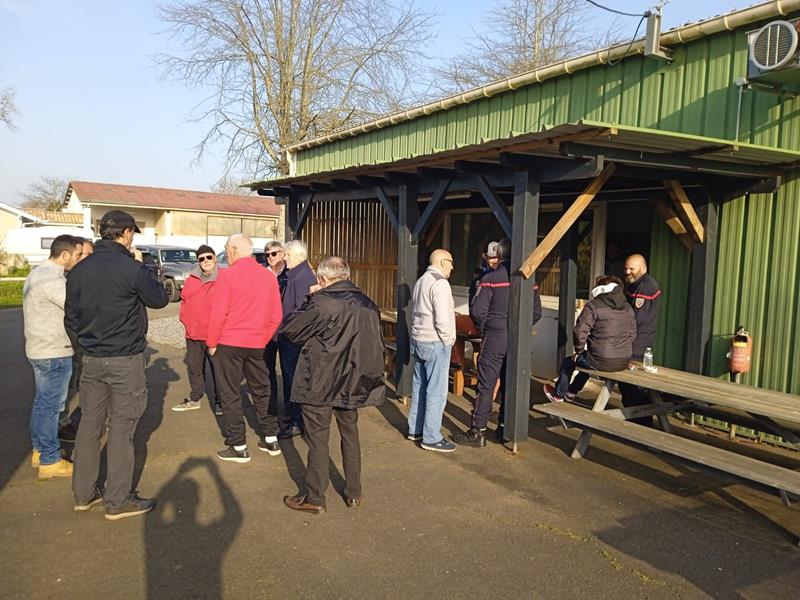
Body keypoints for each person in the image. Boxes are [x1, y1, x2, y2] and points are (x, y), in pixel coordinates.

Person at [66, 210, 169, 519]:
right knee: (122, 429)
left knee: (89, 426)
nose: (133, 237)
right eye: (132, 233)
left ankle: (83, 494)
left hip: (92, 358)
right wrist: (144, 268)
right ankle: (118, 499)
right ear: (125, 234)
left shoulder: (79, 270)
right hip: (124, 359)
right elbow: (160, 300)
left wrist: (83, 348)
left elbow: (70, 317)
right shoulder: (131, 268)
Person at [280, 256, 385, 513]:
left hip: (319, 380)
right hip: (351, 381)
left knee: (317, 439)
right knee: (350, 434)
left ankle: (315, 497)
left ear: (323, 279)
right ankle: (354, 491)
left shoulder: (321, 302)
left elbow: (290, 329)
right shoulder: (368, 304)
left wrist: (309, 298)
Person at [453, 238, 542, 447]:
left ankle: (478, 432)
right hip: (517, 338)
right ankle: (505, 429)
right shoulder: (529, 280)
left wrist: (487, 329)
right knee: (510, 384)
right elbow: (536, 312)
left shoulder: (490, 278)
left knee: (486, 383)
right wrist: (518, 327)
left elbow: (477, 310)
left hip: (494, 337)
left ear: (500, 256)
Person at [206, 233, 283, 463]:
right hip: (256, 343)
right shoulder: (268, 277)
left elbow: (218, 314)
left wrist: (211, 343)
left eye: (227, 248)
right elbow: (276, 316)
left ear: (233, 249)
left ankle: (238, 445)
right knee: (262, 389)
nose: (227, 252)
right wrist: (263, 338)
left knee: (230, 393)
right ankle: (270, 438)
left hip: (229, 343)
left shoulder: (227, 276)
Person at [24, 234, 83, 479]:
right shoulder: (52, 280)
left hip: (40, 349)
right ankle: (50, 459)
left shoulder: (38, 273)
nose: (80, 260)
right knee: (51, 407)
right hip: (53, 352)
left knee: (42, 404)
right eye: (78, 255)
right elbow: (76, 307)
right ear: (65, 254)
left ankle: (40, 451)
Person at [543, 276, 636, 402]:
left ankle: (558, 395)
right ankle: (571, 393)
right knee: (586, 364)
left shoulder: (593, 306)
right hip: (624, 361)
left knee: (568, 362)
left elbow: (579, 330)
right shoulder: (628, 307)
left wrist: (579, 351)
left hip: (600, 360)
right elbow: (632, 334)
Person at [408, 249, 457, 452]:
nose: (453, 267)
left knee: (419, 387)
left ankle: (415, 429)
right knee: (436, 391)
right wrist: (448, 340)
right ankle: (431, 437)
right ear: (443, 262)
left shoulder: (422, 280)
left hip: (419, 340)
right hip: (435, 342)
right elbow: (443, 318)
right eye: (452, 262)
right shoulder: (440, 283)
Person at [173, 244, 221, 415]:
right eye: (202, 258)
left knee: (218, 370)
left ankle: (220, 402)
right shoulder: (191, 279)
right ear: (198, 261)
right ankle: (195, 398)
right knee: (194, 368)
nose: (206, 261)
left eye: (209, 257)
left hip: (215, 335)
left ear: (215, 258)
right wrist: (185, 320)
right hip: (193, 334)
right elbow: (184, 302)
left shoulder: (224, 278)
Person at [277, 239, 317, 438]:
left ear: (300, 256)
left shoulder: (303, 277)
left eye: (287, 254)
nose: (284, 257)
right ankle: (291, 415)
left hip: (294, 339)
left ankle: (296, 421)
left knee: (295, 381)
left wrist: (288, 331)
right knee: (289, 378)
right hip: (288, 336)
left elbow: (302, 313)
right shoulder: (292, 274)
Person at [58, 237, 95, 442]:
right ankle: (63, 426)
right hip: (68, 346)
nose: (82, 258)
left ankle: (80, 422)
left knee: (83, 387)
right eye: (79, 254)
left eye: (86, 255)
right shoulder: (65, 280)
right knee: (64, 390)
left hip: (81, 346)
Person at [620, 253, 662, 425]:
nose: (628, 271)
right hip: (632, 340)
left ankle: (643, 423)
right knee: (626, 386)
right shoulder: (635, 284)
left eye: (632, 268)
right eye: (626, 267)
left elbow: (637, 318)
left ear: (643, 268)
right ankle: (634, 419)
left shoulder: (645, 287)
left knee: (634, 386)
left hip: (637, 343)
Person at [264, 240, 287, 414]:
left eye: (274, 253)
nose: (270, 257)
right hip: (267, 329)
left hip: (286, 329)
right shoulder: (262, 274)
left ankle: (289, 406)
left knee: (287, 370)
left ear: (282, 253)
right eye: (267, 254)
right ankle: (271, 405)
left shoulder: (290, 273)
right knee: (267, 368)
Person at [468, 241, 500, 305]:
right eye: (492, 257)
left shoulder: (503, 274)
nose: (496, 260)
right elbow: (472, 296)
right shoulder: (478, 274)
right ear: (484, 256)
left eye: (498, 257)